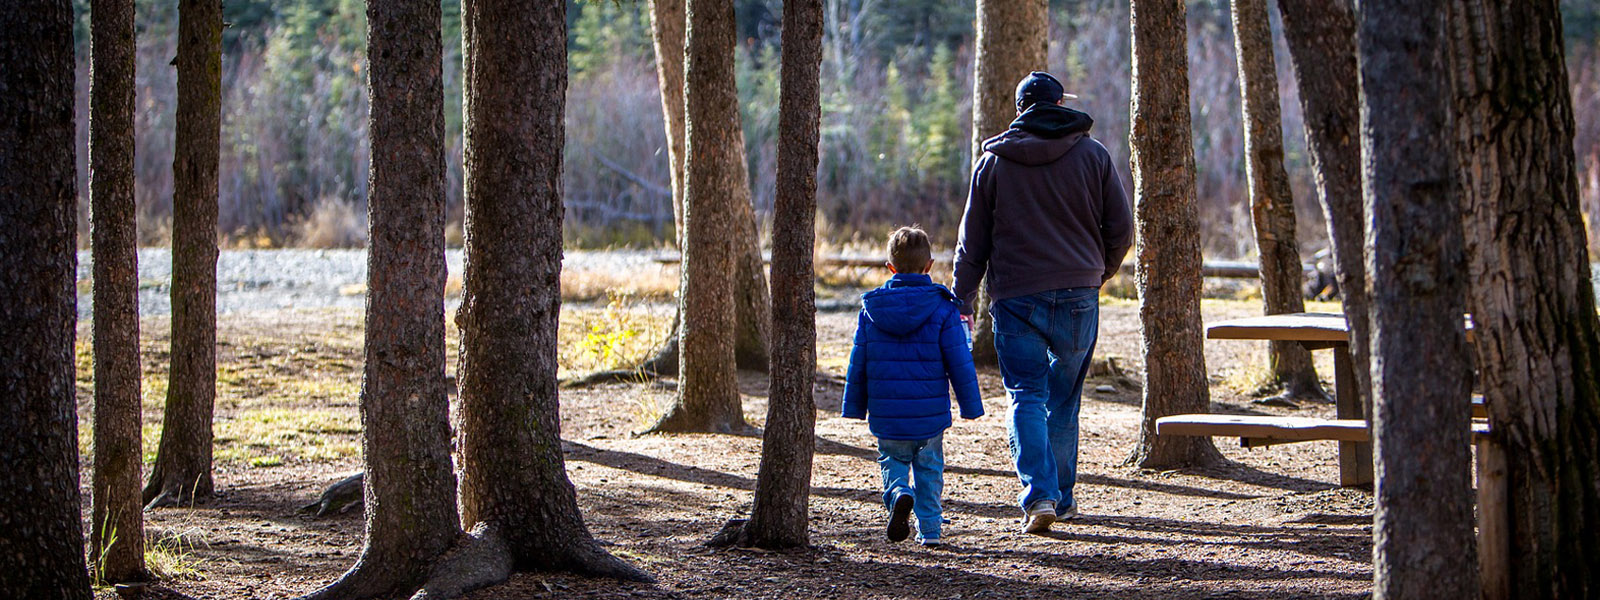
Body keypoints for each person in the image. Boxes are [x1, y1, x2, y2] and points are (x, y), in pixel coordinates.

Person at [951, 71, 1134, 534]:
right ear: (1058, 104)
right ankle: (1063, 498)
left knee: (1026, 395)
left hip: (1015, 298)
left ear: (1020, 110)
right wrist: (1098, 271)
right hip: (1078, 294)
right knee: (1064, 399)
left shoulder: (992, 164)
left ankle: (1040, 497)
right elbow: (1121, 228)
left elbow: (972, 244)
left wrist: (962, 298)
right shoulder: (1093, 155)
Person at [842, 226, 984, 546]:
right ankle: (930, 530)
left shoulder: (872, 310)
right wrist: (971, 405)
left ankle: (897, 493)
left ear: (890, 267)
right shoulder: (944, 308)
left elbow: (858, 359)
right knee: (930, 468)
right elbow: (958, 360)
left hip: (887, 410)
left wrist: (853, 406)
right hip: (929, 412)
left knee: (892, 459)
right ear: (929, 265)